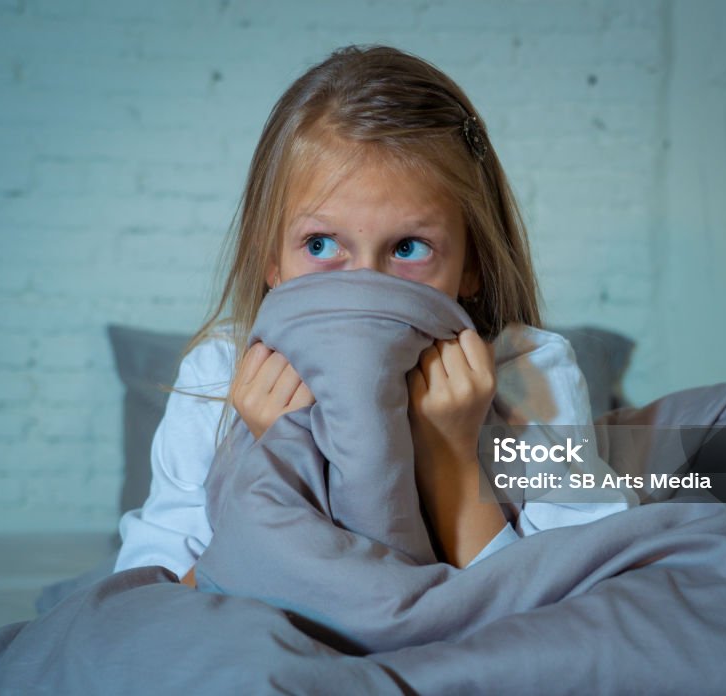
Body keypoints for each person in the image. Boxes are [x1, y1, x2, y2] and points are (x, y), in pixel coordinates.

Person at [114, 44, 630, 585]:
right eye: (320, 245)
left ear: (472, 265)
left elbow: (566, 607)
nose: (365, 288)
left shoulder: (531, 374)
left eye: (408, 248)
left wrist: (451, 460)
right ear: (271, 259)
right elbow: (156, 598)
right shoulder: (219, 375)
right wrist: (279, 463)